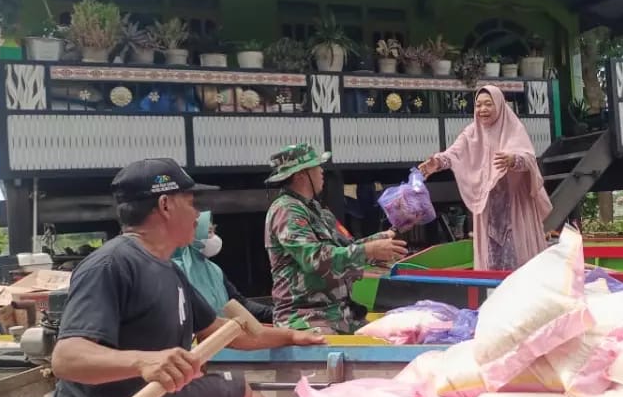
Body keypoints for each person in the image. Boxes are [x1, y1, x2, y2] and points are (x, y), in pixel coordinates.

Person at [48, 158, 324, 397]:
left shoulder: (170, 269)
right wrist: (144, 362)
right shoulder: (110, 265)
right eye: (191, 202)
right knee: (242, 395)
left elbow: (218, 331)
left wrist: (290, 335)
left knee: (239, 392)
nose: (198, 214)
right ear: (166, 205)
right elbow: (67, 358)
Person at [264, 143, 408, 333]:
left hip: (339, 314)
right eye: (316, 166)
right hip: (306, 318)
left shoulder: (317, 211)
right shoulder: (287, 210)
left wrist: (386, 236)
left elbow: (346, 248)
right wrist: (368, 250)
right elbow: (314, 258)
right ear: (300, 175)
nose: (322, 171)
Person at [418, 85, 552, 270]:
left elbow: (529, 159)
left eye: (488, 104)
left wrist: (513, 159)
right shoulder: (471, 132)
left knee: (517, 256)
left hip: (513, 204)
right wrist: (437, 163)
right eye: (478, 105)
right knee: (490, 258)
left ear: (499, 105)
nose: (483, 110)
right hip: (488, 206)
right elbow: (454, 153)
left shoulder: (513, 128)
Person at [172, 210, 273, 324]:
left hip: (222, 335)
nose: (214, 237)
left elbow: (239, 304)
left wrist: (274, 314)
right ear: (195, 234)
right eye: (209, 232)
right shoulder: (176, 270)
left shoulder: (215, 270)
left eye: (214, 232)